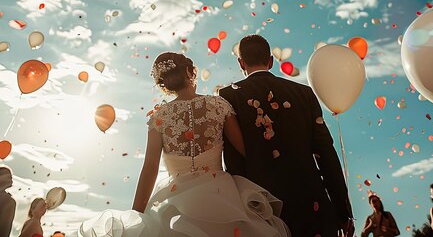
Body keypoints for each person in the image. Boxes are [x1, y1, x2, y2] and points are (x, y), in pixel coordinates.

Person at [79, 52, 290, 237]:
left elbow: (150, 168)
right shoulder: (219, 105)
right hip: (222, 197)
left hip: (174, 202)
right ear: (191, 72)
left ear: (165, 83)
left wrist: (137, 216)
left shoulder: (159, 117)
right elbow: (245, 149)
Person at [219, 34, 354, 237]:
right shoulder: (304, 93)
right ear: (271, 60)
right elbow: (326, 153)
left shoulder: (228, 96)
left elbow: (233, 161)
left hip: (262, 209)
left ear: (241, 63)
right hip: (312, 206)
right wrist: (343, 212)